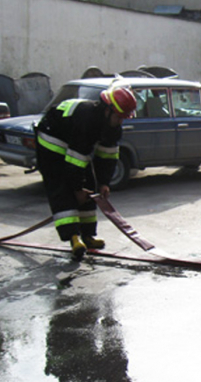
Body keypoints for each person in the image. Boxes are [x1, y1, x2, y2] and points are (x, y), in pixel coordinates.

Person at [36, 85, 137, 260]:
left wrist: (104, 182)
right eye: (118, 117)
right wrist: (77, 189)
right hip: (51, 142)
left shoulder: (112, 126)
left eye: (123, 118)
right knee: (62, 187)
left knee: (90, 184)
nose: (121, 121)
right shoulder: (87, 119)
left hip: (73, 144)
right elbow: (76, 161)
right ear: (107, 110)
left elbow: (108, 156)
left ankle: (88, 236)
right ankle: (74, 238)